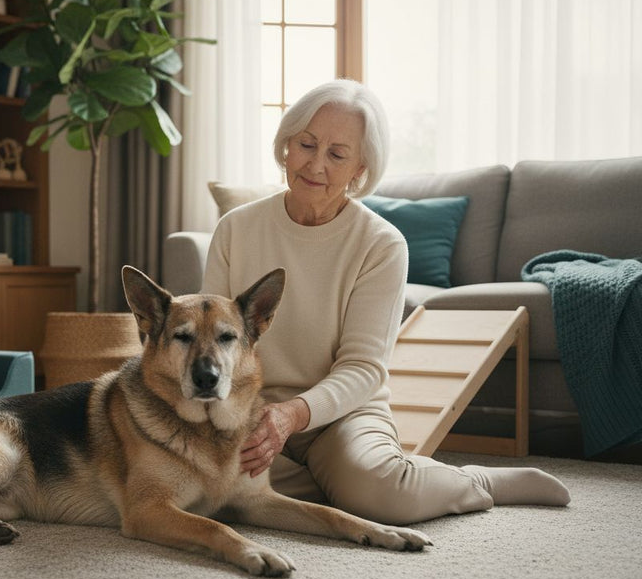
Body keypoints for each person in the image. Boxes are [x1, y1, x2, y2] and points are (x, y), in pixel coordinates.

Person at [201, 78, 570, 525]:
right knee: (210, 487)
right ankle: (341, 487)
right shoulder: (235, 229)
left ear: (359, 170)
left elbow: (363, 369)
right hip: (246, 410)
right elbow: (211, 348)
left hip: (341, 413)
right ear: (286, 146)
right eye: (306, 144)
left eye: (337, 154)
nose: (315, 164)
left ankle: (475, 482)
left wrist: (292, 416)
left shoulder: (381, 244)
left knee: (385, 498)